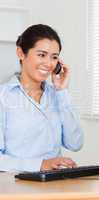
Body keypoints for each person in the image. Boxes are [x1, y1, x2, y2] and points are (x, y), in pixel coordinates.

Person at [0, 24, 83, 172]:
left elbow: (75, 143)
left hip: (55, 185)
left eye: (54, 57)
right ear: (20, 53)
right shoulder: (3, 97)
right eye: (41, 55)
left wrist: (61, 91)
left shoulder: (57, 95)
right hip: (16, 188)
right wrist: (41, 164)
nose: (49, 63)